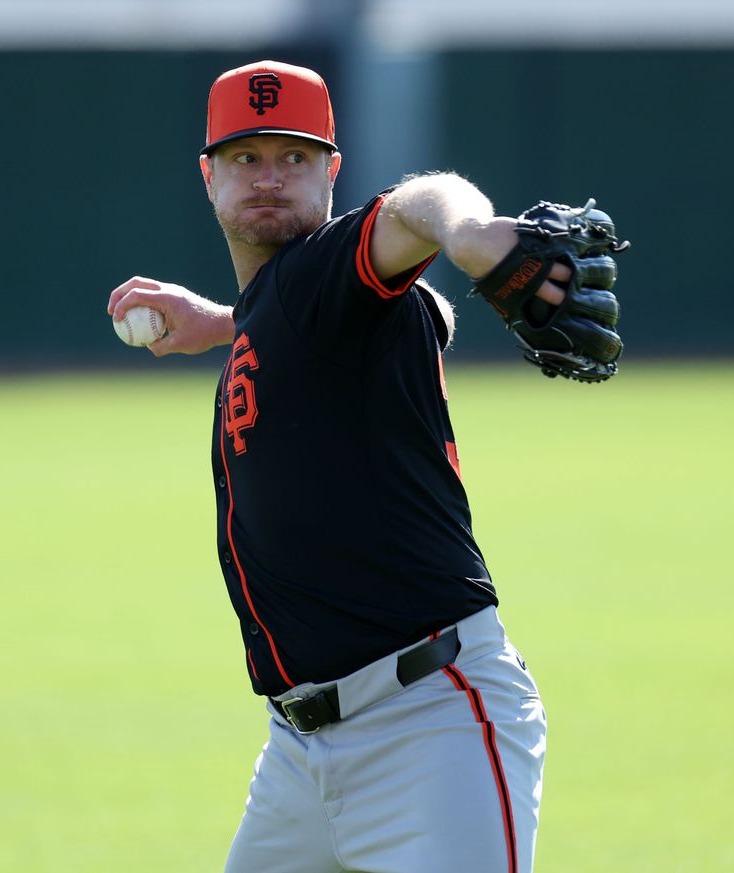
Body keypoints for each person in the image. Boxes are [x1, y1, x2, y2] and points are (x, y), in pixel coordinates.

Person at [108, 60, 579, 873]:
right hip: (298, 756)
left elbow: (418, 206)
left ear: (332, 170)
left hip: (430, 731)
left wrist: (468, 234)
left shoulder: (332, 267)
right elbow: (352, 315)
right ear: (208, 176)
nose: (269, 179)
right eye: (246, 158)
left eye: (294, 158)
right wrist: (225, 321)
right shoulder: (293, 307)